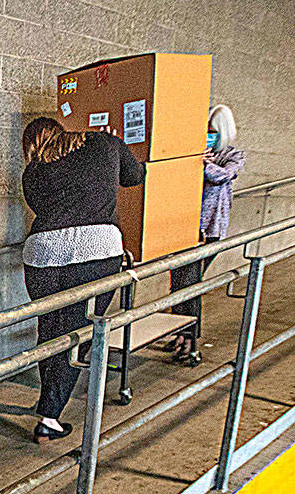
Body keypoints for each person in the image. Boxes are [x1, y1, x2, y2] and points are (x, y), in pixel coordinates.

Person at [20, 117, 144, 444]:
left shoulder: (32, 173)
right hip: (94, 250)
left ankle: (49, 400)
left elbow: (49, 209)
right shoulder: (104, 143)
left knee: (50, 329)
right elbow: (136, 176)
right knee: (78, 332)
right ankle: (49, 416)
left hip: (42, 253)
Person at [167, 104, 245, 364]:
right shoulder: (200, 154)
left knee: (191, 283)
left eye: (213, 131)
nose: (209, 135)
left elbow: (222, 176)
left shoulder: (232, 156)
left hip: (209, 230)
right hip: (186, 225)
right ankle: (179, 334)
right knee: (180, 282)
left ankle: (191, 342)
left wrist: (200, 163)